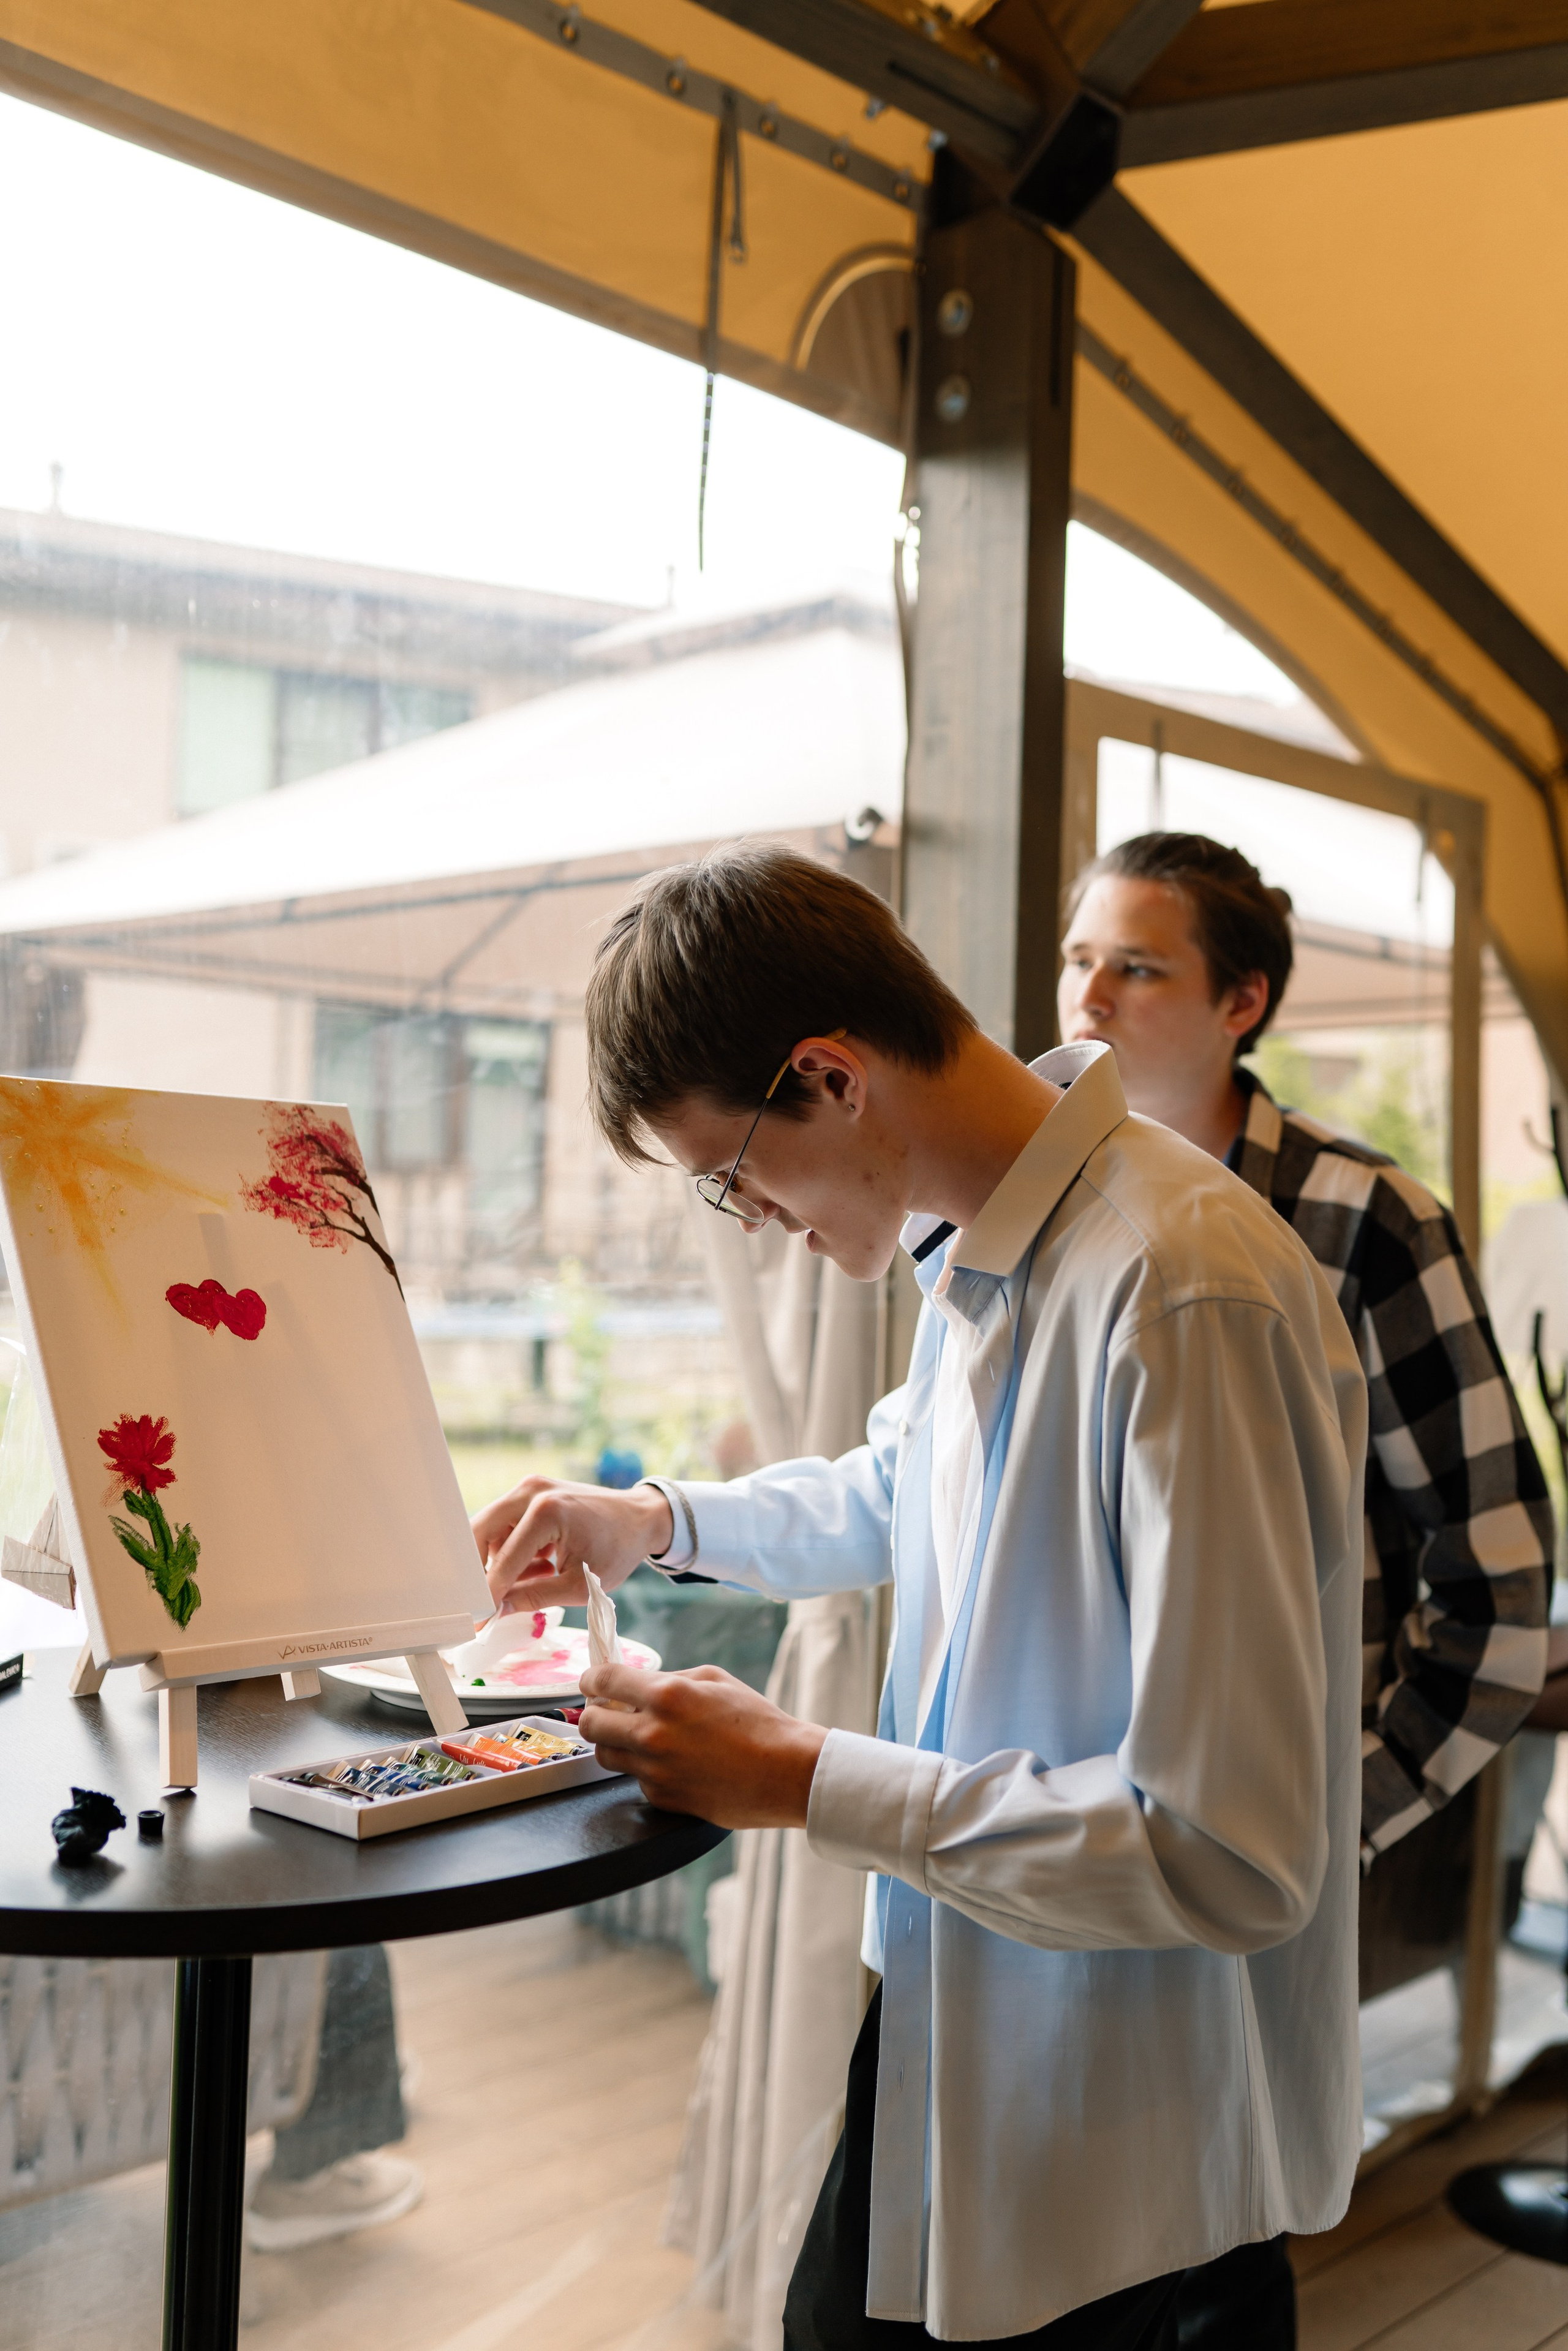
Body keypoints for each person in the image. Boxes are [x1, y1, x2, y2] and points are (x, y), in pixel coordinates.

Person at [474, 843, 1369, 2351]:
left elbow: (1227, 1849)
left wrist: (809, 1775)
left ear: (827, 1075)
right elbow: (904, 1488)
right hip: (956, 2000)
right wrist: (654, 1519)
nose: (746, 1216)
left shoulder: (1177, 1287)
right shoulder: (992, 1241)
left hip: (1121, 2125)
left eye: (728, 1170)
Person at [1057, 831, 1553, 2346]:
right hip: (1039, 1825)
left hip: (1245, 1859)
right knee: (1055, 2242)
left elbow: (1499, 1590)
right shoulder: (1044, 1199)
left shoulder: (1358, 1219)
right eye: (1078, 955)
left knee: (1212, 2246)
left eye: (1135, 965)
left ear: (1239, 1001)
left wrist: (1329, 1815)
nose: (1086, 994)